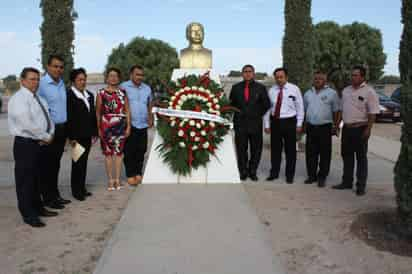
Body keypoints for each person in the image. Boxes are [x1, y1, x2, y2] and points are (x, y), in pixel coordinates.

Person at [8, 67, 58, 227]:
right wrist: (45, 136)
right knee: (26, 181)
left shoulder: (39, 98)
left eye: (37, 79)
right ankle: (28, 214)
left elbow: (49, 119)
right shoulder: (18, 99)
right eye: (31, 79)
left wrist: (50, 134)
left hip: (40, 143)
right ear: (22, 81)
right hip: (25, 144)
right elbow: (27, 123)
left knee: (38, 179)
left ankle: (39, 208)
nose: (35, 82)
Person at [333, 66, 379, 196]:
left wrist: (368, 129)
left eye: (356, 75)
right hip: (347, 129)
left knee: (361, 158)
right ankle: (347, 182)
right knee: (347, 156)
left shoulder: (369, 92)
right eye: (352, 75)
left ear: (363, 77)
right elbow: (342, 109)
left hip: (361, 129)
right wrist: (337, 125)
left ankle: (361, 186)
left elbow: (372, 112)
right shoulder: (346, 91)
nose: (353, 77)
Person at [38, 55, 71, 209]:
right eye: (55, 66)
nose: (58, 69)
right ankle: (48, 199)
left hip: (61, 129)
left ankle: (55, 195)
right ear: (47, 66)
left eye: (61, 67)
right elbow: (37, 108)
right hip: (49, 130)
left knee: (55, 165)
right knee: (47, 166)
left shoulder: (61, 83)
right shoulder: (42, 85)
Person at [229, 65, 271, 181]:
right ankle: (243, 171)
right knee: (241, 149)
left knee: (256, 149)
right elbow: (231, 104)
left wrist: (257, 114)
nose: (247, 73)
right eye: (245, 71)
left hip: (255, 123)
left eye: (250, 71)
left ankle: (252, 171)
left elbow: (266, 104)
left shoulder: (260, 87)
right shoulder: (236, 87)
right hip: (240, 123)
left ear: (253, 73)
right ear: (242, 73)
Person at [264, 67, 304, 183]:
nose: (279, 79)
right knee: (275, 150)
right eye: (277, 77)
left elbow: (300, 107)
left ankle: (289, 175)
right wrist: (267, 124)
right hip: (275, 122)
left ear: (286, 77)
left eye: (281, 77)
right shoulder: (272, 90)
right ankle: (274, 173)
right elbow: (267, 109)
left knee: (290, 150)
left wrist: (299, 123)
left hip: (290, 122)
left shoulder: (294, 89)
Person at [303, 71, 341, 187]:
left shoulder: (332, 93)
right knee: (310, 153)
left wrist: (335, 125)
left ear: (325, 80)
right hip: (310, 127)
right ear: (313, 80)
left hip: (325, 127)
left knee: (325, 153)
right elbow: (305, 110)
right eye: (316, 78)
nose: (318, 80)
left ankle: (322, 177)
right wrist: (304, 124)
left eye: (320, 78)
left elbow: (336, 111)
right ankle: (311, 176)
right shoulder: (308, 93)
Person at [96, 68, 131, 190]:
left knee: (119, 153)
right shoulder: (101, 93)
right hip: (106, 125)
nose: (113, 78)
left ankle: (117, 179)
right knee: (108, 153)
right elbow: (98, 112)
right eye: (111, 75)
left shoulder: (123, 92)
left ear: (119, 78)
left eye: (116, 76)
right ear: (107, 78)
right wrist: (99, 128)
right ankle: (110, 180)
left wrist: (128, 127)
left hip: (121, 124)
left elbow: (127, 110)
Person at [66, 68, 98, 201]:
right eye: (79, 80)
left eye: (84, 79)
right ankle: (76, 191)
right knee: (77, 163)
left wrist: (95, 132)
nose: (83, 82)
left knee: (84, 162)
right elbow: (68, 116)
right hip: (76, 136)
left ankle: (82, 188)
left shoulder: (89, 95)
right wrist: (70, 137)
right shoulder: (69, 95)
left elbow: (92, 115)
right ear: (73, 81)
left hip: (87, 135)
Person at [120, 65, 153, 186]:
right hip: (129, 124)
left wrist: (151, 117)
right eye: (137, 74)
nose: (140, 77)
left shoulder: (147, 88)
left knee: (141, 149)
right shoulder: (123, 87)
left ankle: (138, 173)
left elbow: (150, 104)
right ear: (131, 75)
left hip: (143, 124)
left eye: (141, 75)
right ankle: (130, 174)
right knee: (129, 151)